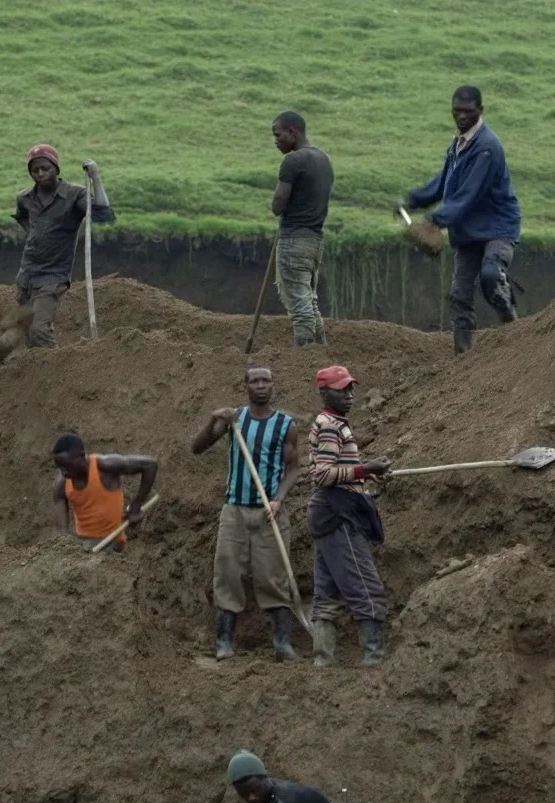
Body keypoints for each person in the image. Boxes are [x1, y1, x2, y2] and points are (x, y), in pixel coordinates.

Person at [190, 367, 301, 662]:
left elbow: (293, 468)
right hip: (234, 511)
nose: (261, 386)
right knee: (227, 575)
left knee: (274, 577)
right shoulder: (235, 420)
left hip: (270, 513)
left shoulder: (285, 425)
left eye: (266, 380)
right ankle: (224, 642)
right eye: (255, 381)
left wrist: (278, 500)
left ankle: (282, 643)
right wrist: (214, 420)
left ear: (273, 385)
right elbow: (197, 448)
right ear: (246, 387)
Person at [403, 86, 522, 354]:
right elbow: (443, 183)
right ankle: (463, 355)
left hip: (497, 228)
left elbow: (468, 194)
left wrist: (434, 219)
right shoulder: (459, 142)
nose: (461, 117)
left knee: (491, 275)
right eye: (456, 111)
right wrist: (414, 199)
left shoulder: (486, 148)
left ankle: (513, 326)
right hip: (468, 231)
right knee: (459, 294)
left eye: (468, 112)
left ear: (481, 110)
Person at [308, 366, 392, 667]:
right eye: (342, 389)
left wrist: (364, 477)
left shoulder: (333, 422)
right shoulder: (330, 424)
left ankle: (323, 664)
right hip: (339, 515)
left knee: (327, 593)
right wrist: (366, 469)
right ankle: (374, 662)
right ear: (324, 392)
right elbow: (323, 474)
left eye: (350, 389)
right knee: (366, 589)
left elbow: (338, 472)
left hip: (328, 513)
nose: (350, 395)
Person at [13, 145, 115, 349]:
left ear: (56, 168)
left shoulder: (74, 195)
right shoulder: (24, 198)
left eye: (45, 168)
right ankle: (34, 374)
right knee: (28, 331)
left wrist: (95, 176)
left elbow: (104, 214)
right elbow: (24, 219)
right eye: (35, 170)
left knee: (39, 330)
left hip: (53, 275)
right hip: (26, 275)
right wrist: (39, 237)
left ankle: (54, 371)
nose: (40, 174)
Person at [269, 111, 334, 347]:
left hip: (294, 240)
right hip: (314, 242)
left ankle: (306, 357)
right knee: (309, 301)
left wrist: (276, 203)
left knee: (300, 305)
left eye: (278, 135)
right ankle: (321, 353)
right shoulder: (323, 159)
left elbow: (278, 205)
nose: (276, 141)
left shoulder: (293, 161)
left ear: (292, 131)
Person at [51, 433, 156, 550]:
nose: (63, 472)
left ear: (82, 456)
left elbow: (149, 465)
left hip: (112, 542)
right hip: (82, 546)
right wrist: (66, 541)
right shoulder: (63, 480)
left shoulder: (104, 465)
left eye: (67, 466)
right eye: (60, 467)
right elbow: (60, 504)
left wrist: (136, 504)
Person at [226, 750, 330, 803]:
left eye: (254, 790)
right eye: (243, 794)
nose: (251, 798)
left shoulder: (284, 799)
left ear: (264, 778)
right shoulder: (267, 792)